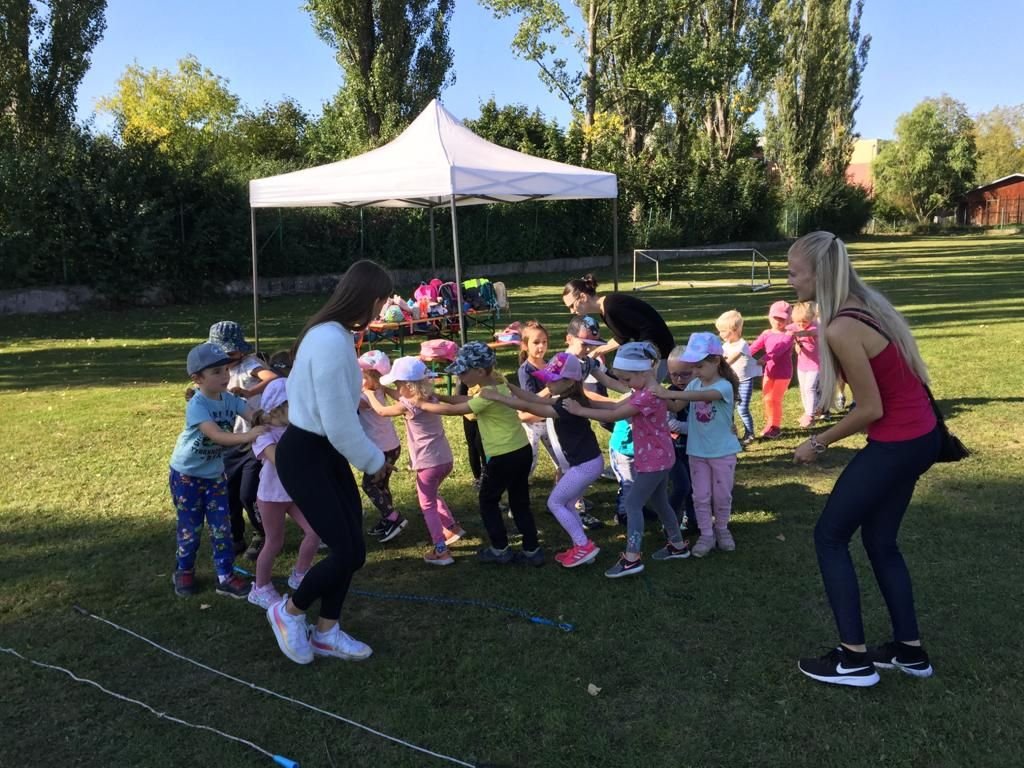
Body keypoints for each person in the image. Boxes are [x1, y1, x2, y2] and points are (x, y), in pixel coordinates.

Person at [788, 232, 940, 687]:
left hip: (899, 443)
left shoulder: (841, 327)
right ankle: (909, 651)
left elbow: (870, 408)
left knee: (829, 536)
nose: (790, 280)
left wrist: (818, 443)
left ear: (819, 274)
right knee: (880, 541)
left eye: (795, 272)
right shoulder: (866, 303)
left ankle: (853, 660)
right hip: (920, 437)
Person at [266, 260, 394, 666]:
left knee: (352, 548)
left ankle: (326, 632)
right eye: (383, 302)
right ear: (371, 298)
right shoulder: (330, 341)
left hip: (325, 453)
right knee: (348, 552)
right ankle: (288, 612)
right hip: (307, 455)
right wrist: (374, 461)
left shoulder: (333, 334)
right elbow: (338, 422)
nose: (382, 310)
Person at [563, 341, 690, 577]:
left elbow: (614, 413)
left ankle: (632, 558)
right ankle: (677, 545)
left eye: (627, 379)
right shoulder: (646, 390)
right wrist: (584, 402)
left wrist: (579, 411)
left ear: (643, 372)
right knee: (660, 502)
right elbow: (614, 404)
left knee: (632, 504)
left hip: (654, 460)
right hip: (659, 457)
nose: (625, 384)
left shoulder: (647, 396)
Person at [421, 342, 542, 566]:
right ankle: (532, 550)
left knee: (487, 501)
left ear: (478, 371)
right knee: (519, 501)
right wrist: (438, 396)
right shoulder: (498, 385)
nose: (459, 376)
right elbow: (465, 401)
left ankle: (500, 549)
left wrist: (421, 404)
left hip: (502, 457)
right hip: (521, 450)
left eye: (462, 372)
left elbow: (455, 410)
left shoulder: (487, 395)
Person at [480, 352, 604, 568]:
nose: (547, 384)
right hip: (588, 462)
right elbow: (535, 399)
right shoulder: (569, 398)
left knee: (555, 503)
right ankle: (581, 546)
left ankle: (584, 546)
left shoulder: (566, 406)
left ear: (569, 381)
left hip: (585, 466)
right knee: (567, 503)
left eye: (552, 380)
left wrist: (499, 397)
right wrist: (509, 387)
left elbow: (532, 407)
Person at [169, 342, 266, 599]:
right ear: (197, 379)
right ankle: (184, 570)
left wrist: (272, 419)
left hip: (214, 476)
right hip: (187, 476)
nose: (224, 376)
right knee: (190, 528)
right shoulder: (198, 405)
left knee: (221, 527)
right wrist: (250, 435)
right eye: (216, 372)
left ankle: (225, 576)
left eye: (225, 370)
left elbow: (254, 415)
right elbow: (217, 436)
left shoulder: (230, 399)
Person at [367, 356, 465, 566]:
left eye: (398, 384)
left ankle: (441, 550)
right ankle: (452, 528)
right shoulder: (429, 398)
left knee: (427, 504)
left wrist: (369, 394)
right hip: (445, 459)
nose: (396, 388)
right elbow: (400, 396)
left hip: (427, 463)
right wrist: (385, 389)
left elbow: (382, 411)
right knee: (432, 494)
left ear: (407, 385)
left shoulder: (408, 405)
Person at [654, 333, 742, 557]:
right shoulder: (694, 383)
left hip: (722, 452)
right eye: (693, 367)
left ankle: (722, 529)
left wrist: (666, 391)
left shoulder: (723, 386)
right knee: (700, 496)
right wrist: (656, 394)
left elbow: (703, 395)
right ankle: (706, 534)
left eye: (699, 366)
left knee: (721, 496)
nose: (695, 372)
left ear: (716, 361)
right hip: (697, 452)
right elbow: (676, 407)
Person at [246, 378, 322, 609]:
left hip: (294, 494)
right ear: (278, 408)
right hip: (271, 497)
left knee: (315, 531)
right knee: (274, 542)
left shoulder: (295, 429)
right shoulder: (263, 434)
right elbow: (280, 460)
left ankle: (300, 573)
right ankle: (260, 588)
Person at [208, 320, 278, 560]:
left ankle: (263, 533)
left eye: (230, 353)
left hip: (254, 441)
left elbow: (272, 377)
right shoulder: (217, 370)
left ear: (239, 349)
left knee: (248, 493)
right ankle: (235, 536)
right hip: (230, 440)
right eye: (221, 354)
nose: (226, 358)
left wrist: (250, 391)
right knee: (229, 493)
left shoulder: (250, 364)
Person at [562, 274, 675, 378]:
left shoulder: (612, 306)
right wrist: (596, 352)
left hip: (660, 352)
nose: (572, 311)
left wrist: (642, 355)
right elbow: (622, 337)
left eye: (572, 305)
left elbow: (648, 328)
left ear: (583, 297)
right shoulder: (605, 309)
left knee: (647, 389)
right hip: (655, 352)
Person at [356, 350, 407, 543]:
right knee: (382, 485)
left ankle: (394, 518)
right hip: (391, 446)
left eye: (363, 375)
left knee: (369, 485)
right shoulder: (376, 390)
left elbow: (349, 402)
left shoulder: (367, 396)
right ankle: (388, 520)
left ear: (373, 377)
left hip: (380, 449)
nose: (359, 378)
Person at [517, 321, 561, 479]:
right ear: (525, 345)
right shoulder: (525, 370)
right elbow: (531, 400)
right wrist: (551, 388)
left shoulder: (551, 364)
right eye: (536, 342)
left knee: (561, 457)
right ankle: (519, 484)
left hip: (550, 420)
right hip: (532, 424)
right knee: (529, 461)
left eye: (544, 342)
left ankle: (564, 484)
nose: (541, 346)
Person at [748, 301, 795, 438]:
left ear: (789, 319)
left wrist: (764, 359)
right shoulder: (766, 333)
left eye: (782, 319)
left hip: (783, 373)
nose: (778, 322)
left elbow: (779, 350)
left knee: (775, 399)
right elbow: (755, 346)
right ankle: (770, 423)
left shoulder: (788, 335)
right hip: (769, 372)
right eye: (775, 318)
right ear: (769, 317)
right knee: (767, 399)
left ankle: (775, 426)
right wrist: (743, 354)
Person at [715, 309, 761, 445]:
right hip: (731, 381)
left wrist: (718, 365)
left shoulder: (742, 345)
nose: (720, 334)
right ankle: (731, 434)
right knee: (729, 408)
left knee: (742, 408)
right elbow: (722, 357)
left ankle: (749, 433)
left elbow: (730, 360)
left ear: (734, 330)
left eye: (723, 331)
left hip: (744, 381)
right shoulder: (726, 345)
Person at [664, 347, 696, 534]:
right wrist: (696, 429)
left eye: (685, 374)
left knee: (695, 487)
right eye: (674, 375)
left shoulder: (702, 391)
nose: (679, 380)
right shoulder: (670, 393)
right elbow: (669, 423)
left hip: (696, 449)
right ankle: (668, 521)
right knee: (682, 486)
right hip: (673, 449)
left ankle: (692, 519)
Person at [788, 302, 821, 428]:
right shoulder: (795, 326)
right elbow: (787, 330)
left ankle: (810, 415)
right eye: (798, 322)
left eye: (804, 322)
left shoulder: (815, 327)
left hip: (816, 364)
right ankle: (809, 411)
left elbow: (810, 333)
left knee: (809, 388)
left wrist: (797, 334)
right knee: (803, 388)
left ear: (812, 318)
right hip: (802, 365)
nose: (801, 325)